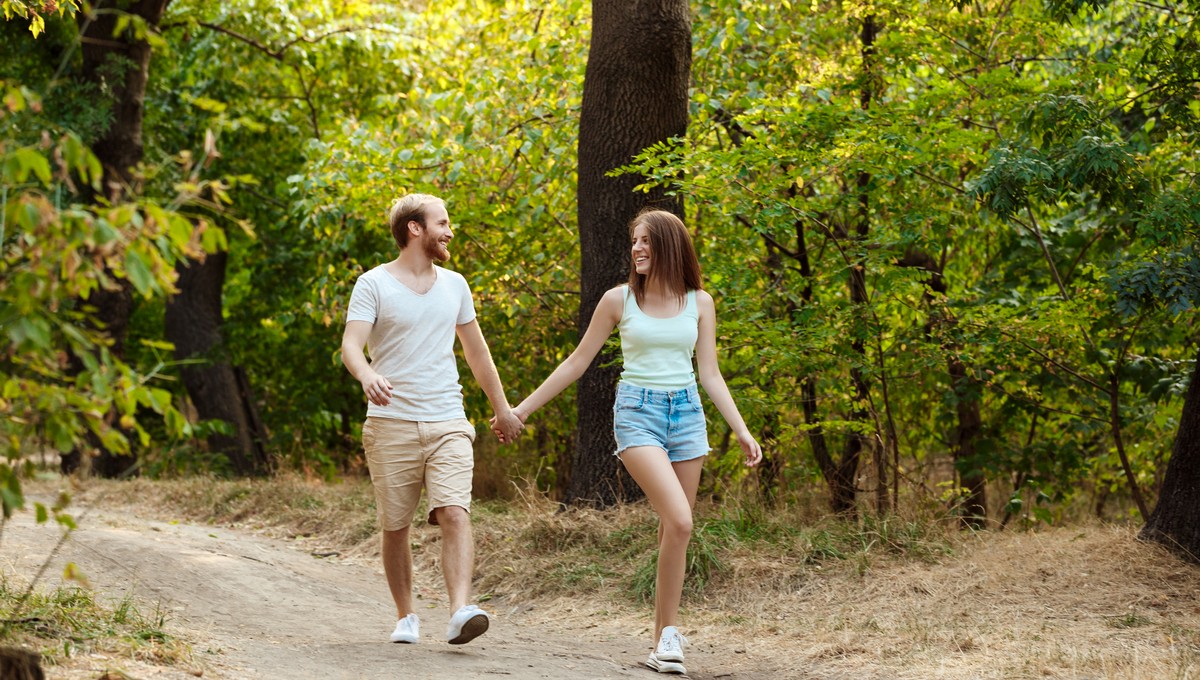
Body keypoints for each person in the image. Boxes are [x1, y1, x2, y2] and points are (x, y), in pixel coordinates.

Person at [499, 208, 763, 675]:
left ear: (669, 246)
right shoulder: (618, 300)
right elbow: (576, 363)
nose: (637, 249)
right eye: (634, 242)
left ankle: (661, 641)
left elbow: (711, 373)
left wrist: (740, 429)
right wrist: (520, 410)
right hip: (637, 413)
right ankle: (669, 635)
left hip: (687, 416)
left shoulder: (700, 302)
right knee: (681, 522)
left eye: (645, 241)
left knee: (670, 528)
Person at [341, 192, 523, 646]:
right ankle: (406, 616)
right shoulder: (373, 284)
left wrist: (502, 408)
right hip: (391, 423)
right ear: (414, 229)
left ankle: (461, 610)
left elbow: (476, 353)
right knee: (395, 524)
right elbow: (351, 345)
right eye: (442, 222)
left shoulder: (455, 284)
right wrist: (366, 374)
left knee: (454, 511)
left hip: (448, 418)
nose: (450, 230)